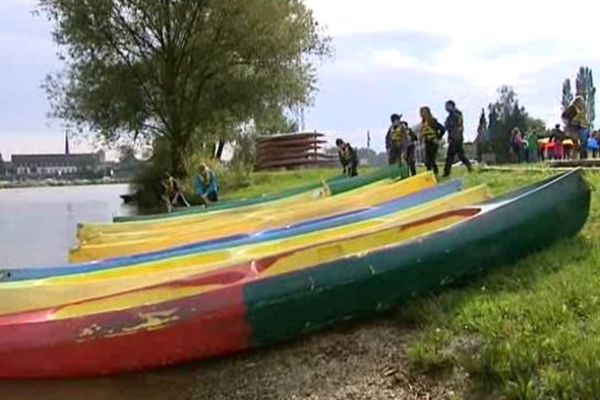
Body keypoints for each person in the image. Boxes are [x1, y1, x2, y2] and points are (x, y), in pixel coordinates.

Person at [444, 100, 472, 177]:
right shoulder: (449, 117)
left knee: (450, 156)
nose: (446, 108)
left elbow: (458, 126)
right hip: (453, 138)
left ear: (452, 106)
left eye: (448, 106)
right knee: (460, 156)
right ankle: (469, 167)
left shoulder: (457, 114)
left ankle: (446, 173)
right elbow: (447, 127)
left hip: (456, 138)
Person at [419, 106, 446, 175]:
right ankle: (429, 174)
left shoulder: (432, 121)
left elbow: (442, 129)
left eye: (424, 112)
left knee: (431, 160)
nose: (422, 114)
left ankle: (435, 173)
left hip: (433, 142)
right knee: (427, 160)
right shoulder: (423, 123)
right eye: (421, 112)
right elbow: (422, 133)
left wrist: (438, 137)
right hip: (427, 142)